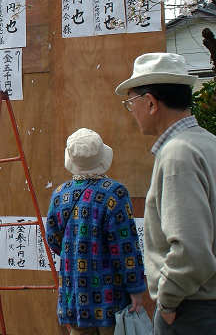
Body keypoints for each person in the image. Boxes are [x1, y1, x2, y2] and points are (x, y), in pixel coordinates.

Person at [116, 52, 216, 334]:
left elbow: (192, 252)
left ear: (151, 103)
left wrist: (167, 302)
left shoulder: (178, 154)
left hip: (193, 311)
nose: (131, 111)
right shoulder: (213, 144)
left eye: (131, 102)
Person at [46, 128, 146, 335]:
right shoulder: (114, 193)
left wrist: (76, 253)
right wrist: (135, 288)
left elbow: (54, 240)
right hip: (110, 297)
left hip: (74, 296)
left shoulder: (60, 195)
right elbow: (126, 247)